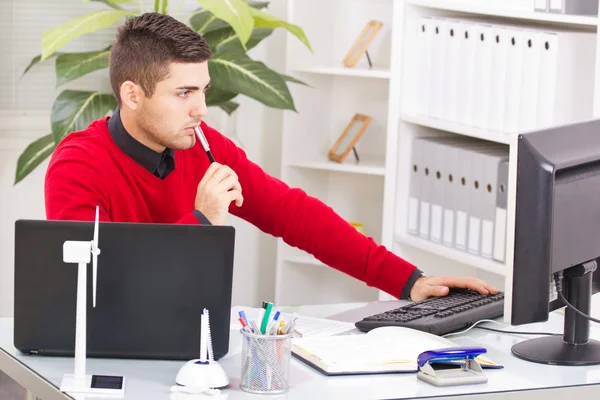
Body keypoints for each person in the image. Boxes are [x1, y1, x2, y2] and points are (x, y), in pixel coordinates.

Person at [44, 12, 498, 302]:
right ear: (132, 94)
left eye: (202, 91)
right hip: (109, 353)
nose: (201, 109)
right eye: (183, 93)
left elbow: (292, 213)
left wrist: (407, 280)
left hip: (189, 345)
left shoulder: (201, 144)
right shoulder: (77, 165)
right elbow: (97, 288)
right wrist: (201, 222)